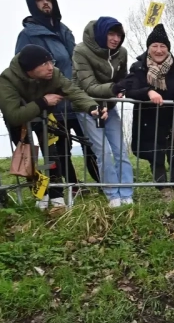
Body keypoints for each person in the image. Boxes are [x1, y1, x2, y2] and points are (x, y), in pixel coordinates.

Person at [0, 45, 106, 208]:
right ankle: (41, 195)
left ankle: (57, 196)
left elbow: (73, 91)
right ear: (30, 68)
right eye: (44, 64)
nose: (51, 67)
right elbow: (13, 115)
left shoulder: (54, 74)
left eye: (51, 62)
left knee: (51, 155)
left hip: (44, 118)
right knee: (27, 158)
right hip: (19, 124)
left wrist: (92, 107)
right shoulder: (7, 80)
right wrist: (43, 101)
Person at [16, 0, 100, 188]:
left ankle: (102, 182)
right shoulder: (28, 35)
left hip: (77, 100)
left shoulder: (65, 31)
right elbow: (24, 69)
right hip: (53, 104)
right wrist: (43, 96)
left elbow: (78, 62)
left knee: (92, 143)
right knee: (62, 148)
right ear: (32, 5)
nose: (45, 3)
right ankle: (72, 186)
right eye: (40, 0)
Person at [73, 16, 133, 208]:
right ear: (101, 33)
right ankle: (112, 194)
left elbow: (122, 79)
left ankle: (126, 193)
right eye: (111, 34)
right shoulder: (80, 51)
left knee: (121, 151)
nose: (116, 39)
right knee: (103, 152)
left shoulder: (121, 52)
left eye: (119, 35)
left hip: (110, 106)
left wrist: (122, 89)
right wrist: (115, 89)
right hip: (87, 107)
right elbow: (88, 85)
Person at [121, 24, 174, 201]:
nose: (159, 50)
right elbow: (131, 90)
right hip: (147, 120)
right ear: (148, 48)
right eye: (155, 46)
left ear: (168, 48)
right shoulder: (138, 67)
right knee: (155, 155)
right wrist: (148, 91)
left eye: (163, 46)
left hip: (171, 119)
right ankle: (163, 188)